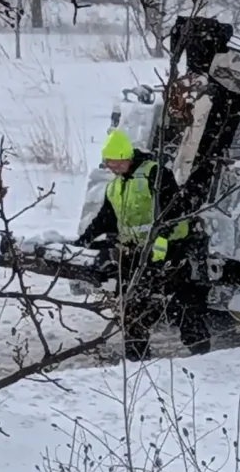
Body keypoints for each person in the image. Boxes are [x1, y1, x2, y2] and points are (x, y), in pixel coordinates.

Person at [80, 127, 212, 358]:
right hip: (136, 254)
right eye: (108, 163)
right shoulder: (115, 186)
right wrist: (85, 239)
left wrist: (161, 240)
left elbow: (174, 209)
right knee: (133, 305)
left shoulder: (155, 174)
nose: (111, 167)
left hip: (170, 251)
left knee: (183, 302)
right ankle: (135, 356)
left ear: (126, 157)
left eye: (114, 162)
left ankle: (201, 350)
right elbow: (106, 218)